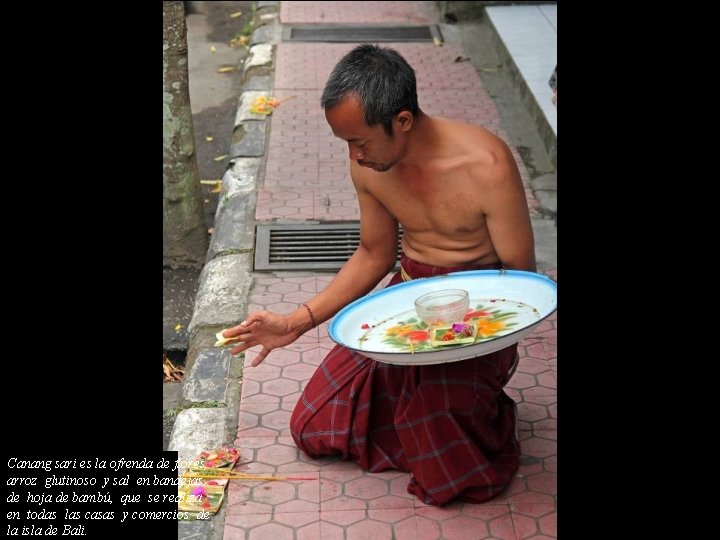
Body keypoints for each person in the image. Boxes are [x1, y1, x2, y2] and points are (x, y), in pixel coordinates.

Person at [222, 44, 536, 506]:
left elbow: (520, 279)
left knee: (452, 478)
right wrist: (294, 322)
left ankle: (482, 410)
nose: (354, 155)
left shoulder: (486, 164)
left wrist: (481, 344)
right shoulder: (369, 162)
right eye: (347, 143)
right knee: (313, 426)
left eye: (361, 141)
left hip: (478, 312)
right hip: (407, 298)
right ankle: (430, 421)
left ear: (403, 121)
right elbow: (374, 253)